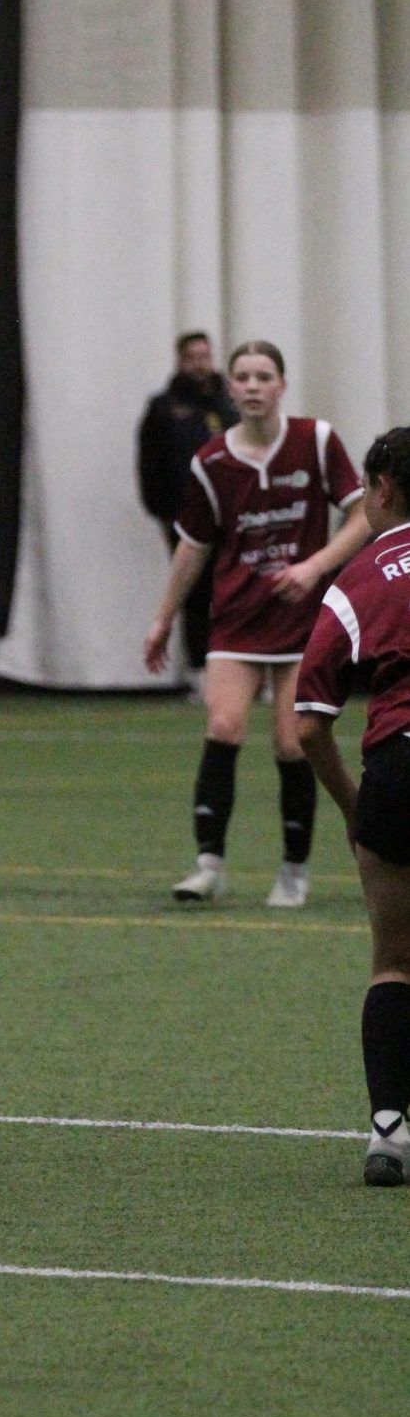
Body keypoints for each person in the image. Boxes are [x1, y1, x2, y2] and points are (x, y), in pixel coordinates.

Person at [144, 343, 368, 907]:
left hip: (302, 623)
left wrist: (314, 567)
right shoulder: (212, 461)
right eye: (241, 377)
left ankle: (293, 870)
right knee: (223, 726)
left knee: (293, 742)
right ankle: (208, 865)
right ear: (231, 386)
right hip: (237, 619)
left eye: (263, 377)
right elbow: (193, 545)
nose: (251, 386)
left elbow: (362, 515)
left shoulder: (315, 441)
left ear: (281, 385)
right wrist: (163, 618)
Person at [294, 426, 410, 1186]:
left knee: (394, 960)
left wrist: (353, 805)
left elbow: (308, 724)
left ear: (382, 487)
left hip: (397, 768)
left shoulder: (360, 576)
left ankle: (388, 1134)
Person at [136, 331, 238, 668]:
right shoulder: (164, 407)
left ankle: (241, 666)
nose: (199, 364)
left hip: (233, 515)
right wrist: (162, 511)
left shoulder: (231, 403)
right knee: (194, 594)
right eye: (192, 357)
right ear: (180, 361)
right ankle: (199, 669)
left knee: (237, 592)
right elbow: (149, 464)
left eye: (204, 356)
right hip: (186, 517)